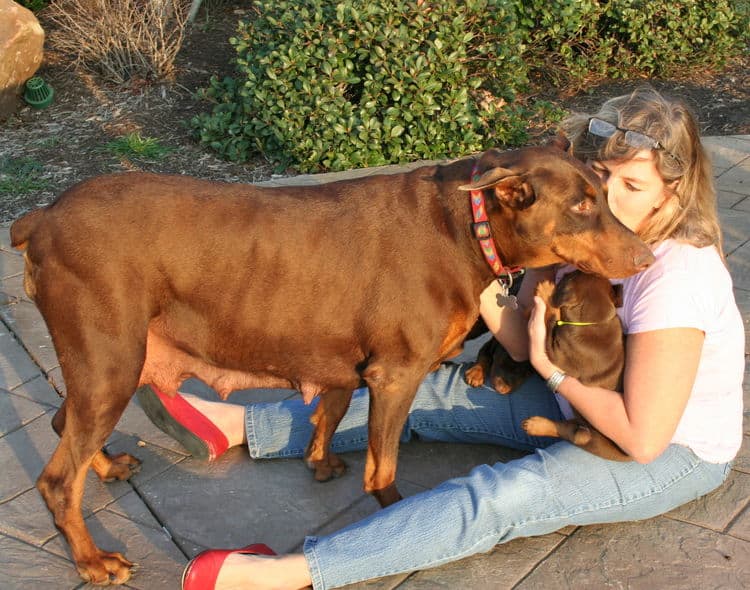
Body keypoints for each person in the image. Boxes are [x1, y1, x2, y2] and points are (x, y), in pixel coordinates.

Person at [137, 87, 744, 590]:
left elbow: (641, 437)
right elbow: (510, 335)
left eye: (632, 187)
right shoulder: (576, 227)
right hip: (577, 398)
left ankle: (287, 572)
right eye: (601, 177)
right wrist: (464, 257)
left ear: (675, 188)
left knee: (499, 498)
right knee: (423, 389)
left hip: (666, 451)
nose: (608, 199)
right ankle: (242, 426)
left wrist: (548, 369)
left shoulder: (676, 276)